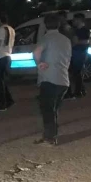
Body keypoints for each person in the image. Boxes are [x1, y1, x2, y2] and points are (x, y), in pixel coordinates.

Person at [33, 13, 71, 145]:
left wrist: (39, 63)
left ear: (45, 25)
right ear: (58, 25)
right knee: (54, 109)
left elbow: (36, 52)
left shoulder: (46, 38)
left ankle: (50, 137)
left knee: (47, 110)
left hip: (49, 78)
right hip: (63, 79)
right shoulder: (66, 40)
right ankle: (51, 135)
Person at [0, 14, 15, 111]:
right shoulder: (11, 29)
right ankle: (8, 100)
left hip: (0, 56)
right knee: (2, 80)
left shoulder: (1, 29)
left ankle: (1, 104)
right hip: (8, 55)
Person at [65, 13, 90, 99]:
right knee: (76, 73)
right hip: (78, 53)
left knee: (76, 73)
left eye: (74, 20)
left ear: (79, 20)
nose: (73, 21)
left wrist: (73, 43)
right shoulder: (78, 30)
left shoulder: (83, 30)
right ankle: (80, 91)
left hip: (79, 54)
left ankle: (78, 92)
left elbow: (83, 42)